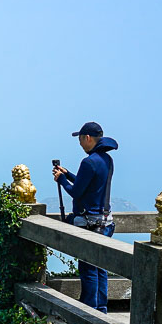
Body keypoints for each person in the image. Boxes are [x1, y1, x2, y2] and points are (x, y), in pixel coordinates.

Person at [52, 122, 119, 313]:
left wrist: (61, 179)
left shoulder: (88, 162)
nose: (80, 144)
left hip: (89, 224)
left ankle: (89, 310)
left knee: (88, 268)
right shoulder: (106, 160)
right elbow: (90, 184)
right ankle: (101, 308)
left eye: (81, 139)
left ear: (87, 138)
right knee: (101, 267)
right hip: (105, 222)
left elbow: (76, 192)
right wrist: (68, 174)